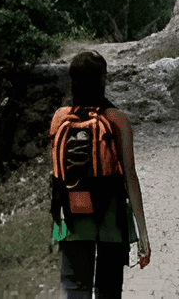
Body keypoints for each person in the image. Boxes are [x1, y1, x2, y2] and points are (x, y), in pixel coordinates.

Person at [51, 50, 150, 299]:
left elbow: (57, 175)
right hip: (110, 216)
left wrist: (58, 229)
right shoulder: (116, 119)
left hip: (72, 211)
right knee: (108, 288)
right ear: (103, 79)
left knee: (75, 285)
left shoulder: (60, 118)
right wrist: (143, 234)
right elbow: (130, 176)